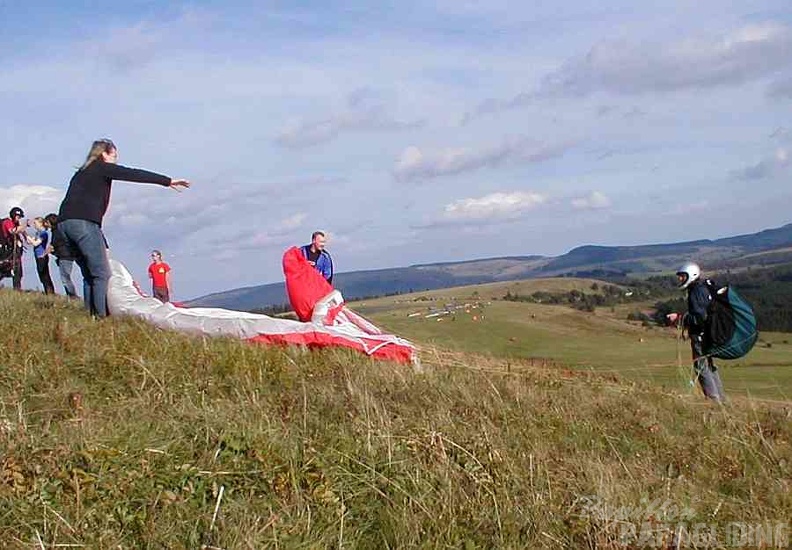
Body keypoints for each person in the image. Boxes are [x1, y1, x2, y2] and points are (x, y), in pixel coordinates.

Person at [57, 138, 190, 317]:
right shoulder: (101, 167)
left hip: (64, 224)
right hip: (84, 223)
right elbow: (132, 174)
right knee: (101, 274)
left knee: (89, 274)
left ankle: (91, 317)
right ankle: (101, 318)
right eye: (114, 155)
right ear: (104, 153)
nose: (116, 160)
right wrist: (167, 181)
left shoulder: (81, 173)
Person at [667, 262, 725, 403]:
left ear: (691, 275)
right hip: (708, 334)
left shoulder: (696, 292)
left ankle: (713, 400)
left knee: (701, 366)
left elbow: (700, 317)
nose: (680, 279)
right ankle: (721, 400)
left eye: (682, 276)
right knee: (710, 366)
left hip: (701, 336)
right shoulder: (703, 288)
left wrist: (679, 318)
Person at [44, 213, 78, 298]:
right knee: (65, 277)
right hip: (65, 255)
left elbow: (55, 245)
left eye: (46, 222)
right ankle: (71, 295)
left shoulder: (57, 231)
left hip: (65, 256)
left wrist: (45, 253)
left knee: (65, 278)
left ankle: (72, 295)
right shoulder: (58, 230)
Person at [25, 217, 56, 294]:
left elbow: (35, 243)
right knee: (41, 275)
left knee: (45, 275)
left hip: (42, 256)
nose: (34, 225)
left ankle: (50, 292)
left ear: (40, 224)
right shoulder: (38, 233)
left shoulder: (44, 234)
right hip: (38, 256)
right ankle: (48, 292)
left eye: (35, 223)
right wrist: (24, 233)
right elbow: (30, 242)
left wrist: (28, 237)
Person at [0, 207, 26, 290]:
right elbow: (12, 231)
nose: (19, 219)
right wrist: (24, 225)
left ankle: (17, 290)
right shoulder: (8, 222)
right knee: (4, 269)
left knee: (17, 272)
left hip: (14, 252)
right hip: (7, 251)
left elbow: (23, 235)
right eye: (18, 217)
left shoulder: (17, 224)